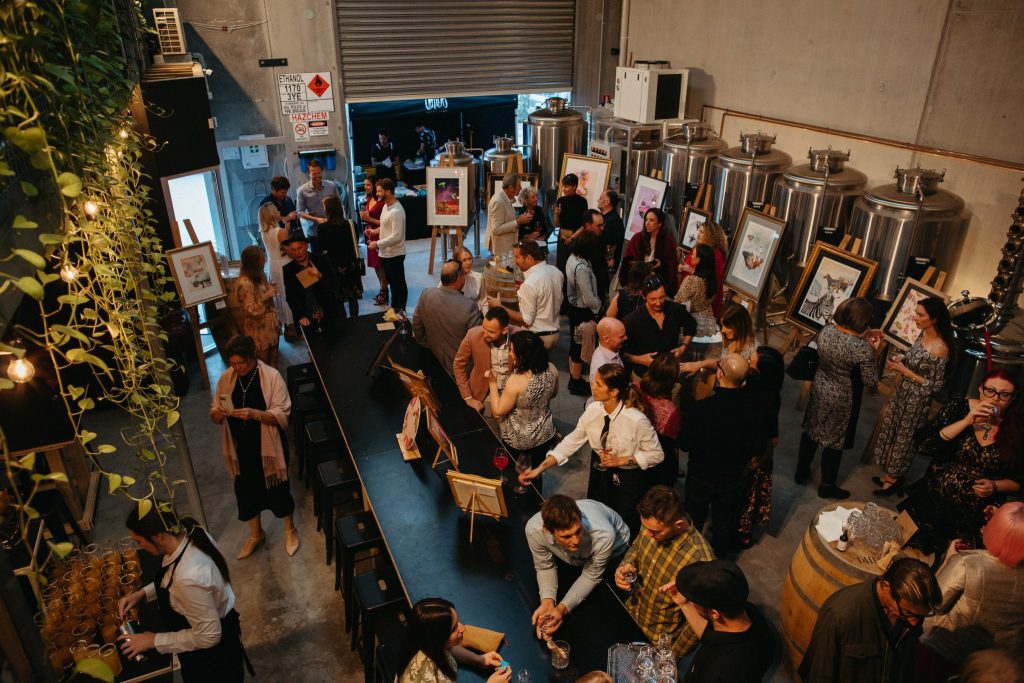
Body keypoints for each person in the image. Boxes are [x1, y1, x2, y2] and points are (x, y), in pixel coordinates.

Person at [520, 363, 664, 533]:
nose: (592, 386)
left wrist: (623, 459)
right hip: (600, 472)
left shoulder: (636, 420)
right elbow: (572, 441)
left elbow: (657, 454)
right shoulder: (593, 410)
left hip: (627, 478)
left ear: (614, 392)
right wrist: (539, 469)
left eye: (598, 384)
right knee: (597, 518)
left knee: (623, 526)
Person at [117, 502, 252, 680]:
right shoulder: (189, 531)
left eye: (139, 542)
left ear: (158, 536)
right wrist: (142, 594)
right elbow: (173, 582)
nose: (140, 547)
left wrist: (153, 640)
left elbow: (209, 636)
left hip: (212, 661)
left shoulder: (188, 579)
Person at [899, 370, 1022, 553]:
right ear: (980, 389)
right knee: (905, 554)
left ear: (1012, 399)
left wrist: (995, 485)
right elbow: (924, 446)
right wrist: (966, 421)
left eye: (1004, 395)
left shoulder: (1016, 428)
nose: (995, 399)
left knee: (950, 571)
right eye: (990, 391)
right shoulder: (958, 408)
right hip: (932, 503)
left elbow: (1019, 481)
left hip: (971, 520)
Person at [210, 335, 299, 559]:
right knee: (246, 491)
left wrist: (255, 414)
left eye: (242, 363)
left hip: (270, 446)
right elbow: (215, 413)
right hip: (241, 447)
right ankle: (256, 534)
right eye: (233, 363)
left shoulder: (271, 376)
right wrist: (217, 414)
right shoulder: (226, 379)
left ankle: (290, 530)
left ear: (253, 358)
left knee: (278, 488)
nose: (237, 368)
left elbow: (283, 413)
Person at [917, 502, 1024, 677]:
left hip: (945, 650)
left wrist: (948, 560)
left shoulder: (968, 564)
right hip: (993, 664)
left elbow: (934, 602)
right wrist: (1009, 521)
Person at [799, 557, 942, 683]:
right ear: (886, 588)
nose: (914, 623)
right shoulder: (840, 615)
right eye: (907, 612)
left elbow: (906, 666)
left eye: (921, 616)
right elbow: (819, 675)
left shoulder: (912, 615)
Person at [796, 297, 883, 499]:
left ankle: (801, 472)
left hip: (820, 386)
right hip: (843, 397)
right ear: (862, 321)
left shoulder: (827, 331)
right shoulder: (861, 349)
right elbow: (871, 380)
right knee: (835, 441)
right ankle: (827, 485)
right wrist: (873, 350)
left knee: (811, 430)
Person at [612, 485, 714, 658]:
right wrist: (626, 564)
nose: (647, 534)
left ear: (678, 524)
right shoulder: (652, 525)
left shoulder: (701, 561)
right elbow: (636, 547)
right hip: (631, 613)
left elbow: (696, 624)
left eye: (654, 532)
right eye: (645, 528)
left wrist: (671, 656)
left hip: (657, 639)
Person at [679, 353, 763, 558]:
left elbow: (684, 444)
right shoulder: (753, 411)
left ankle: (690, 560)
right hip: (732, 478)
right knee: (724, 522)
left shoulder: (700, 409)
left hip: (700, 475)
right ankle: (718, 564)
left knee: (693, 520)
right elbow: (759, 447)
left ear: (719, 373)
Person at [872, 297, 954, 496]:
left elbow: (935, 385)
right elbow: (916, 360)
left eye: (920, 315)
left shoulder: (941, 348)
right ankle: (890, 474)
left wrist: (906, 372)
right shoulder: (922, 334)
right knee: (891, 430)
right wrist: (903, 359)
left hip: (916, 402)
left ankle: (894, 480)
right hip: (902, 393)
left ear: (933, 319)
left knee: (904, 439)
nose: (915, 317)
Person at [524, 495, 631, 638]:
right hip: (576, 558)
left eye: (578, 531)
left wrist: (562, 609)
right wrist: (547, 601)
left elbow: (591, 576)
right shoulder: (533, 530)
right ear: (548, 531)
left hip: (616, 548)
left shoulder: (603, 535)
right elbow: (545, 567)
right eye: (567, 536)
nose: (575, 541)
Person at [659, 560, 776, 683]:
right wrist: (684, 604)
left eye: (694, 602)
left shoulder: (722, 673)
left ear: (715, 613)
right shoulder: (748, 613)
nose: (691, 601)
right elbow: (710, 636)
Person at [487, 330, 558, 470]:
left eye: (513, 351)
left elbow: (497, 411)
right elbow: (553, 394)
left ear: (524, 355)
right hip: (545, 435)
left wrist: (492, 383)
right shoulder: (552, 369)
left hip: (518, 441)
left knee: (517, 475)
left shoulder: (517, 380)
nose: (510, 354)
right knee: (536, 473)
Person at [396, 597, 511, 683]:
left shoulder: (425, 642)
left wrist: (479, 660)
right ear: (439, 638)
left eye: (458, 621)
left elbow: (448, 649)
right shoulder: (434, 679)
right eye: (454, 628)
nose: (463, 628)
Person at [738, 346, 784, 549]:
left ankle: (742, 533)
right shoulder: (765, 388)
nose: (748, 362)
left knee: (748, 491)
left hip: (755, 451)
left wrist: (760, 456)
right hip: (756, 447)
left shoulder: (764, 397)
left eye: (752, 361)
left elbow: (771, 435)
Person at [487, 240, 563, 351]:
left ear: (529, 258)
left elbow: (526, 320)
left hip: (537, 338)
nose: (514, 261)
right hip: (555, 334)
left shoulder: (530, 284)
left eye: (517, 257)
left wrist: (499, 306)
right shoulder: (556, 272)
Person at [413, 260, 483, 370]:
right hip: (460, 368)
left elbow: (417, 326)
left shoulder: (426, 294)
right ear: (459, 278)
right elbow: (477, 343)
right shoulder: (469, 307)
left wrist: (428, 345)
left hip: (433, 356)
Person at [622, 276, 697, 376]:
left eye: (662, 297)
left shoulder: (676, 310)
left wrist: (683, 346)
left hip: (670, 373)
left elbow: (691, 326)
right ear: (644, 297)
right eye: (653, 299)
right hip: (644, 375)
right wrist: (639, 359)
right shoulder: (631, 321)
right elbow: (620, 352)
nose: (658, 303)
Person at [453, 307, 520, 412]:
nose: (484, 334)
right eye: (484, 328)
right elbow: (458, 365)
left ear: (504, 330)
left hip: (514, 396)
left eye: (491, 332)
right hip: (484, 396)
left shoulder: (521, 336)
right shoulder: (472, 335)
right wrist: (468, 398)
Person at [635, 353, 682, 489]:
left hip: (636, 452)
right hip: (658, 463)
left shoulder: (635, 388)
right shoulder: (672, 411)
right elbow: (672, 445)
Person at [566, 232, 603, 395]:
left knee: (575, 343)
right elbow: (588, 297)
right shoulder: (581, 268)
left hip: (573, 307)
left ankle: (573, 377)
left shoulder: (572, 257)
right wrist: (599, 307)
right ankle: (576, 381)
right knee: (579, 346)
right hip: (582, 310)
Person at [282, 232, 338, 334]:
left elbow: (334, 285)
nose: (297, 253)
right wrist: (300, 316)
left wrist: (319, 275)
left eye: (299, 248)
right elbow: (290, 297)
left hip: (328, 314)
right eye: (293, 250)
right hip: (307, 318)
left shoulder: (321, 260)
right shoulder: (288, 269)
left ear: (306, 245)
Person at [679, 302, 759, 375]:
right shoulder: (730, 339)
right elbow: (722, 363)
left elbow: (725, 368)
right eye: (722, 325)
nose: (723, 330)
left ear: (739, 326)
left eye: (727, 326)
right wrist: (700, 364)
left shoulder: (750, 352)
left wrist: (701, 365)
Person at [234, 246, 281, 367]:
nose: (264, 261)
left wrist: (270, 287)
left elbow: (262, 291)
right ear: (254, 262)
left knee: (274, 360)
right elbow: (249, 310)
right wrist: (265, 296)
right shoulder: (244, 282)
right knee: (262, 364)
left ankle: (274, 385)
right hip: (258, 329)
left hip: (271, 325)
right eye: (262, 259)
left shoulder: (260, 274)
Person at [317, 195, 360, 319]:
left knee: (338, 297)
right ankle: (355, 321)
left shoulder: (323, 228)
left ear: (329, 209)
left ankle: (343, 323)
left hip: (333, 266)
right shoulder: (351, 224)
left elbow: (321, 249)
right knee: (352, 296)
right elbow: (355, 243)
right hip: (350, 263)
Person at [369, 177, 408, 313]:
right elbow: (386, 227)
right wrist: (374, 231)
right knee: (393, 283)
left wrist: (377, 243)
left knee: (398, 284)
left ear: (388, 191)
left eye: (379, 191)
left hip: (395, 254)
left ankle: (400, 309)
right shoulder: (386, 206)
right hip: (386, 253)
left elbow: (396, 236)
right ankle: (395, 307)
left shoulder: (396, 211)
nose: (377, 194)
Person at [673, 243, 720, 354]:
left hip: (689, 326)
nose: (691, 257)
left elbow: (678, 302)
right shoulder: (712, 280)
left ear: (698, 260)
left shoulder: (692, 280)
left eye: (693, 255)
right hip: (706, 323)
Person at [622, 208, 679, 296]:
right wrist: (640, 266)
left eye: (651, 220)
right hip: (638, 281)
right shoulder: (637, 238)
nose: (647, 223)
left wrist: (661, 265)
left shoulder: (668, 242)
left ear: (659, 223)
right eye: (646, 220)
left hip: (657, 282)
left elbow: (673, 264)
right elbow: (627, 259)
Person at [257, 202, 294, 335]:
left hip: (272, 265)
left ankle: (285, 325)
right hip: (284, 264)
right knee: (288, 294)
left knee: (279, 296)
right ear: (272, 214)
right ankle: (292, 327)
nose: (279, 211)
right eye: (276, 210)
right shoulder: (280, 231)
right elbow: (288, 251)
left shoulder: (264, 232)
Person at [678, 221, 727, 317]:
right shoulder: (698, 248)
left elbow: (710, 278)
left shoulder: (715, 255)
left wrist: (689, 270)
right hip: (690, 296)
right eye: (698, 231)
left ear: (710, 236)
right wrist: (682, 268)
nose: (698, 234)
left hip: (702, 302)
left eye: (702, 232)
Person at [295, 159, 340, 252]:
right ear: (309, 173)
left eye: (319, 173)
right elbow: (299, 212)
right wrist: (316, 219)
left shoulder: (331, 186)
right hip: (314, 232)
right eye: (313, 173)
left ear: (322, 172)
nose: (317, 175)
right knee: (318, 260)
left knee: (334, 258)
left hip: (332, 229)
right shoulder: (301, 191)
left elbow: (339, 204)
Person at [552, 173, 590, 279]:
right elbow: (557, 224)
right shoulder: (561, 201)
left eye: (567, 186)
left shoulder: (582, 202)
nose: (564, 189)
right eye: (563, 186)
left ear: (574, 187)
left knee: (574, 267)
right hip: (562, 236)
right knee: (562, 266)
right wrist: (556, 214)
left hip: (577, 237)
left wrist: (572, 238)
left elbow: (584, 224)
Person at [359, 175, 389, 306]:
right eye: (365, 185)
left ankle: (384, 291)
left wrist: (368, 219)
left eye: (368, 185)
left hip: (380, 234)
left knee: (381, 265)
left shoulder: (382, 202)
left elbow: (384, 223)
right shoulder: (369, 198)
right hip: (371, 233)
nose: (366, 187)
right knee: (375, 265)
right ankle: (383, 289)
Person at [486, 172, 530, 259]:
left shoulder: (504, 197)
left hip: (507, 248)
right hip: (502, 250)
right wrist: (517, 221)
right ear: (510, 188)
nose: (521, 188)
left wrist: (519, 218)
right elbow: (496, 229)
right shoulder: (498, 201)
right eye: (518, 186)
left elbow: (505, 219)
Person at [588, 317, 627, 385]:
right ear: (606, 339)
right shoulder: (601, 367)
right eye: (621, 337)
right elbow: (602, 395)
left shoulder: (612, 349)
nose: (626, 338)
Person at [598, 189, 625, 277]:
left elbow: (614, 243)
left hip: (606, 266)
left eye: (600, 198)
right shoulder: (602, 216)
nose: (598, 200)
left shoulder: (615, 220)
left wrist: (610, 259)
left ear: (607, 202)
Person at [450, 246, 485, 310]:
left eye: (470, 259)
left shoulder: (479, 277)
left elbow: (483, 301)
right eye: (464, 260)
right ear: (457, 262)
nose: (468, 263)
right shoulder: (450, 277)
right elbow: (441, 297)